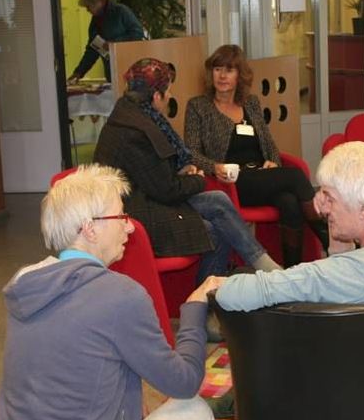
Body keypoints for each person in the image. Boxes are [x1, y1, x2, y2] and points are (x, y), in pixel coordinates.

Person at [0, 164, 213, 420]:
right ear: (89, 228)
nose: (129, 227)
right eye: (121, 217)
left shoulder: (25, 282)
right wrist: (194, 309)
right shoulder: (120, 296)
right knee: (195, 411)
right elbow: (184, 381)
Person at [195, 141, 364, 311]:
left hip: (345, 382)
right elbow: (347, 272)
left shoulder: (345, 274)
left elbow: (253, 292)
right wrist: (337, 236)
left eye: (330, 198)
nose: (322, 208)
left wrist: (211, 286)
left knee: (240, 277)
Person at [94, 57, 281, 281]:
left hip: (146, 198)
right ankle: (208, 296)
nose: (170, 97)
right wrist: (199, 179)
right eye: (168, 92)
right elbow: (166, 190)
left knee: (218, 200)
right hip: (136, 212)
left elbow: (154, 175)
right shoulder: (136, 132)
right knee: (212, 230)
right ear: (156, 97)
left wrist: (182, 171)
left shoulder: (131, 114)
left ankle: (260, 263)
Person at [184, 44, 330, 267]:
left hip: (261, 177)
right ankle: (331, 238)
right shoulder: (198, 106)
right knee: (295, 177)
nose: (222, 76)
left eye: (229, 70)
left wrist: (273, 162)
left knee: (289, 202)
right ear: (210, 72)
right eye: (217, 69)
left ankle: (292, 270)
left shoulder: (250, 103)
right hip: (229, 181)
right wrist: (215, 168)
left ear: (239, 75)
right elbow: (191, 152)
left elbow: (268, 142)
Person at [68, 0, 144, 83]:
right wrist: (79, 72)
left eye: (88, 6)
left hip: (130, 68)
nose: (87, 10)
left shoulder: (121, 11)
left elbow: (138, 33)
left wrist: (113, 44)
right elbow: (93, 49)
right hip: (111, 72)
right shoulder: (95, 21)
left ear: (99, 2)